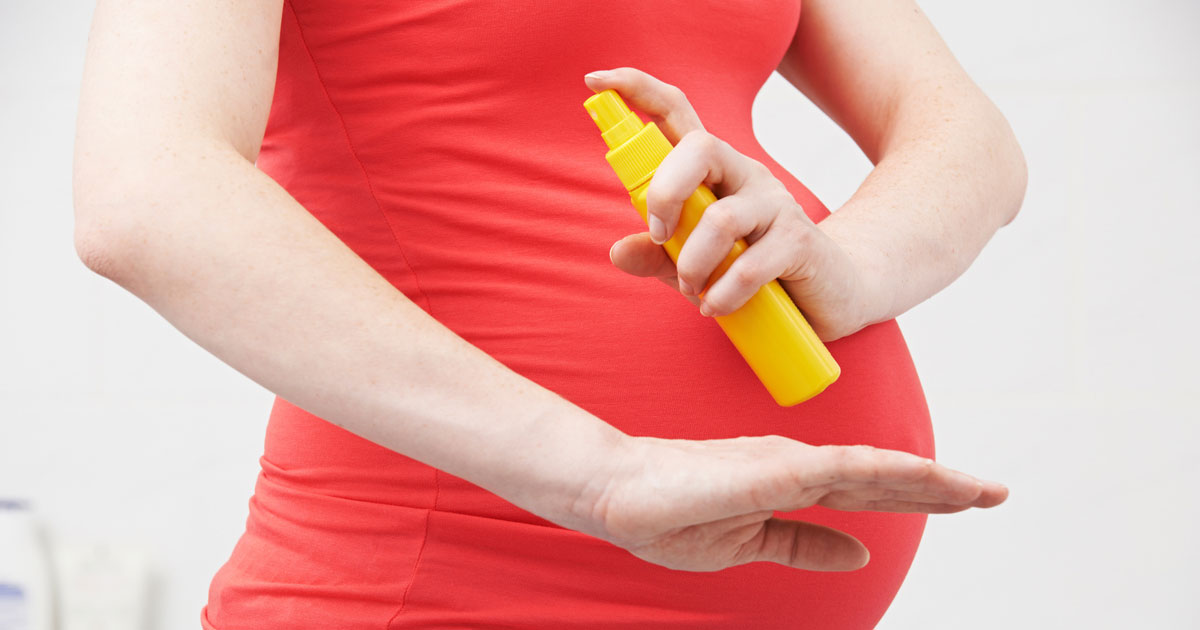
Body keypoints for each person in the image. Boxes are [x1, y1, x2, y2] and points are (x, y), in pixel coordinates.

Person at [72, 0, 1025, 628]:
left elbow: (966, 135)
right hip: (441, 586)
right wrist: (601, 476)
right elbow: (146, 190)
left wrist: (844, 267)